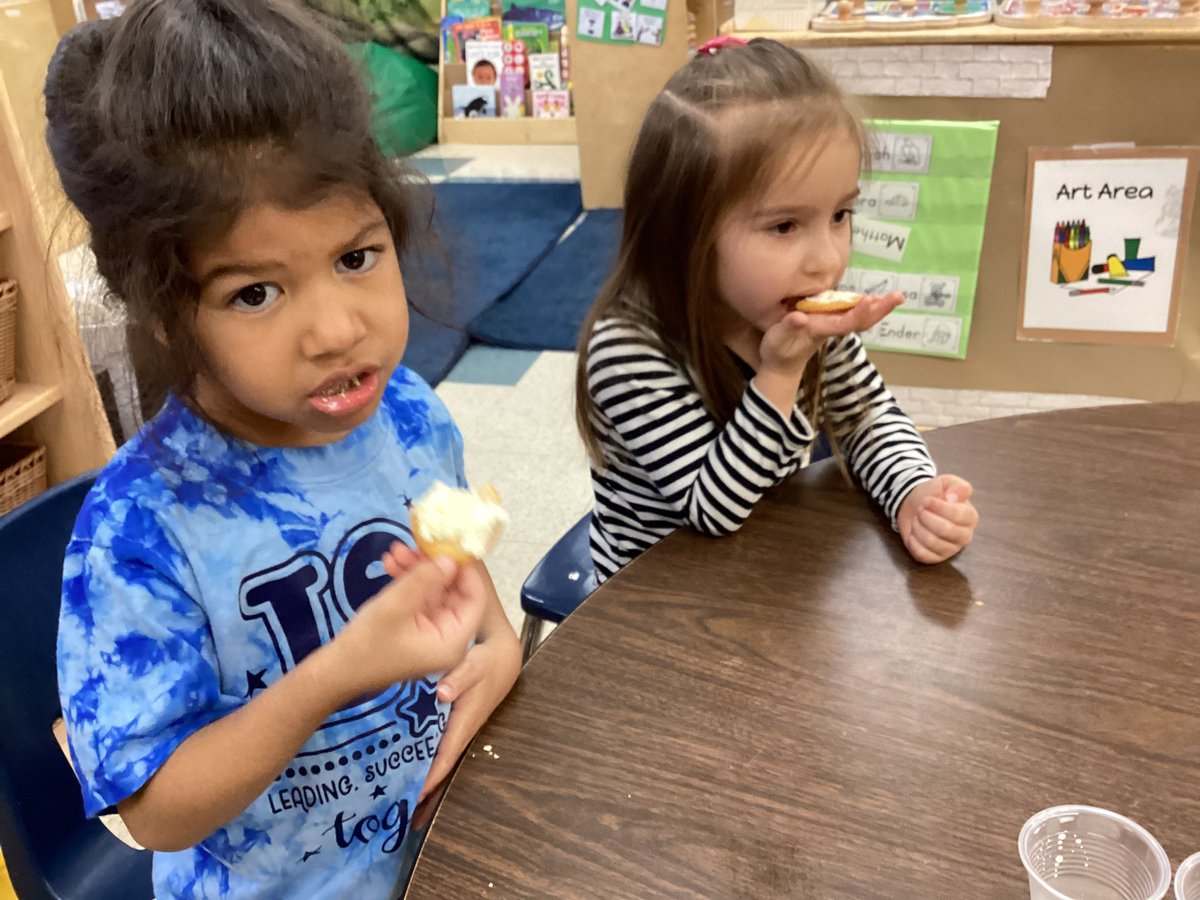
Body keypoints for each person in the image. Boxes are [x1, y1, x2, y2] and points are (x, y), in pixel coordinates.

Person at [47, 2, 521, 897]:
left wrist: (495, 646)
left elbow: (459, 587)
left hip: (438, 860)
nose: (338, 331)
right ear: (162, 309)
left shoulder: (410, 416)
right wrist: (334, 677)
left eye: (356, 257)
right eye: (256, 293)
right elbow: (155, 812)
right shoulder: (140, 529)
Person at [574, 37, 979, 583]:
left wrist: (913, 492)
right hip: (653, 590)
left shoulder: (797, 317)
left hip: (768, 566)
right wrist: (781, 372)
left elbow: (866, 418)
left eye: (840, 215)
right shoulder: (628, 348)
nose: (827, 261)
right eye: (785, 226)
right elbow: (712, 510)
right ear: (684, 235)